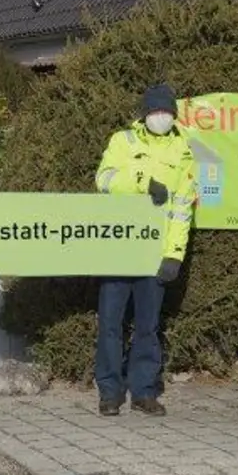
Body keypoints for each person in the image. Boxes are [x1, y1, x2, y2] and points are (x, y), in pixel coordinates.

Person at [92, 83, 198, 417]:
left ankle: (144, 392)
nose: (160, 117)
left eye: (166, 111)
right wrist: (141, 181)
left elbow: (183, 209)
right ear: (144, 113)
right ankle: (109, 392)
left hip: (155, 254)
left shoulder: (184, 151)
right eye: (154, 111)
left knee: (148, 327)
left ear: (174, 115)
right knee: (110, 323)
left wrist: (174, 255)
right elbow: (104, 180)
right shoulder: (123, 141)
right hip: (119, 249)